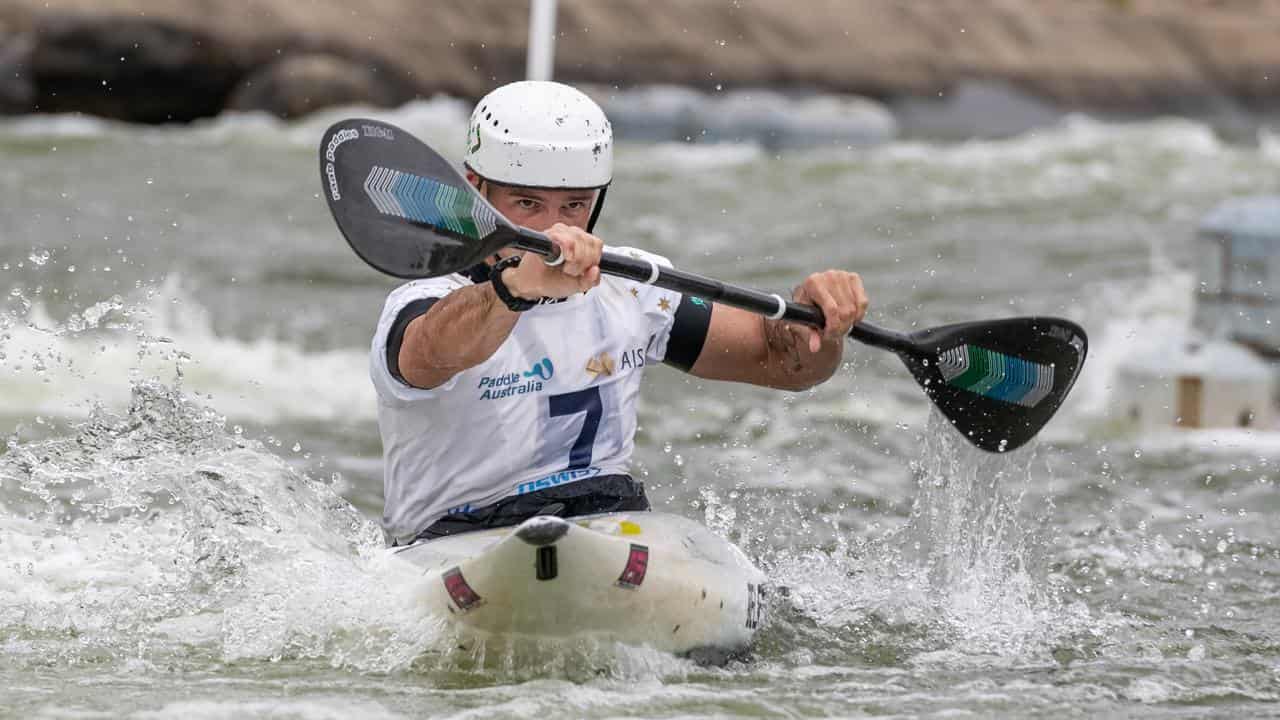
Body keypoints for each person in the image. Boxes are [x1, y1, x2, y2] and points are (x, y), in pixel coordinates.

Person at [370, 81, 868, 546]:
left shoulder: (633, 287)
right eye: (526, 204)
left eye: (573, 206)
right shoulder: (424, 302)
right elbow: (429, 354)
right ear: (476, 190)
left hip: (601, 529)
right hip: (452, 542)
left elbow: (786, 366)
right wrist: (515, 286)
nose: (553, 230)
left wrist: (816, 323)